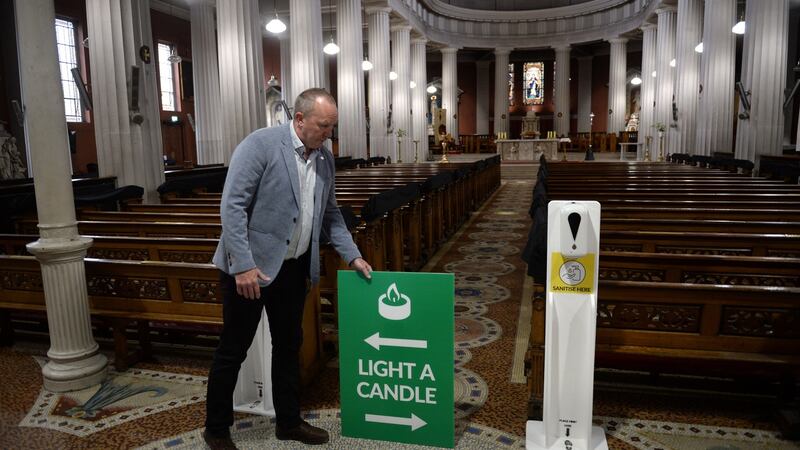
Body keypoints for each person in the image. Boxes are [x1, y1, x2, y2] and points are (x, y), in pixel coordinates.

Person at [203, 88, 372, 449]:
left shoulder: (324, 160)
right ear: (299, 119)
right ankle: (216, 428)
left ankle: (289, 422)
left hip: (294, 269)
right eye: (323, 125)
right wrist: (243, 265)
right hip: (250, 269)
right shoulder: (260, 145)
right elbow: (232, 207)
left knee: (288, 346)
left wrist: (352, 255)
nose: (329, 133)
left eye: (332, 127)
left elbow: (330, 216)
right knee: (234, 348)